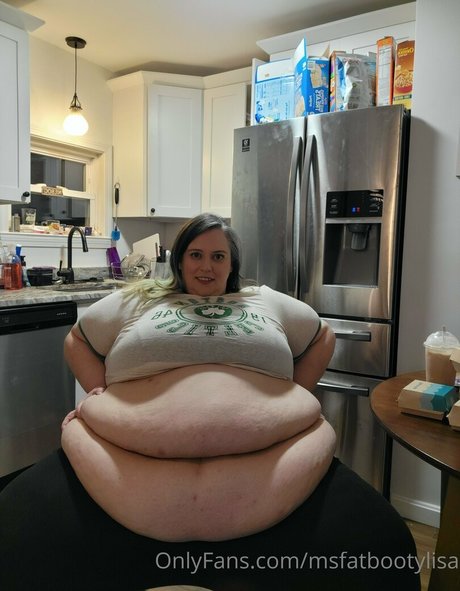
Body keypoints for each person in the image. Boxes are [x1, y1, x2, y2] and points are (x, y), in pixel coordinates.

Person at [0, 213, 420, 591]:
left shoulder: (264, 299)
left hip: (279, 459)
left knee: (383, 543)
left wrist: (294, 395)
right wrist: (100, 392)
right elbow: (77, 339)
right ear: (180, 261)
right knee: (16, 534)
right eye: (196, 255)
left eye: (219, 257)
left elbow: (321, 336)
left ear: (232, 264)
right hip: (119, 456)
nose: (207, 266)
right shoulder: (140, 298)